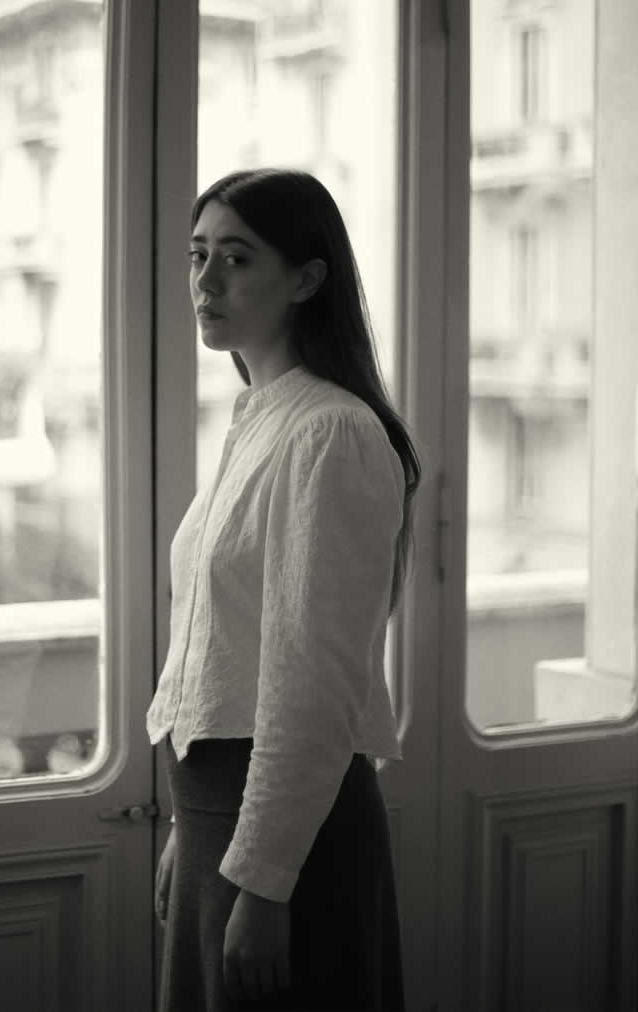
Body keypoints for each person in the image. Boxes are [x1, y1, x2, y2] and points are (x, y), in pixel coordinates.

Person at [147, 168, 420, 1012]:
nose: (205, 280)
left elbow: (310, 685)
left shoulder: (331, 431)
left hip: (287, 839)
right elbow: (219, 648)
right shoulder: (259, 417)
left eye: (236, 257)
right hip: (219, 821)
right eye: (198, 256)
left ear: (306, 279)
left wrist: (264, 883)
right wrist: (186, 833)